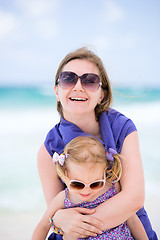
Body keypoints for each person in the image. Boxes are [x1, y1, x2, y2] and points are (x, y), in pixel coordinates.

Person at [37, 47, 157, 239]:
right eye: (68, 79)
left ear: (101, 94)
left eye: (89, 80)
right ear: (56, 91)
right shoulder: (48, 150)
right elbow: (58, 215)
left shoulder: (122, 128)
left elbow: (133, 199)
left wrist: (79, 229)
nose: (78, 86)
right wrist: (58, 222)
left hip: (128, 232)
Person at [32, 136, 149, 240]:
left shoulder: (113, 188)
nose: (87, 191)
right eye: (77, 184)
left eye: (95, 184)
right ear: (66, 174)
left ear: (104, 174)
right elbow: (43, 226)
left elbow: (132, 220)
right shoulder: (64, 198)